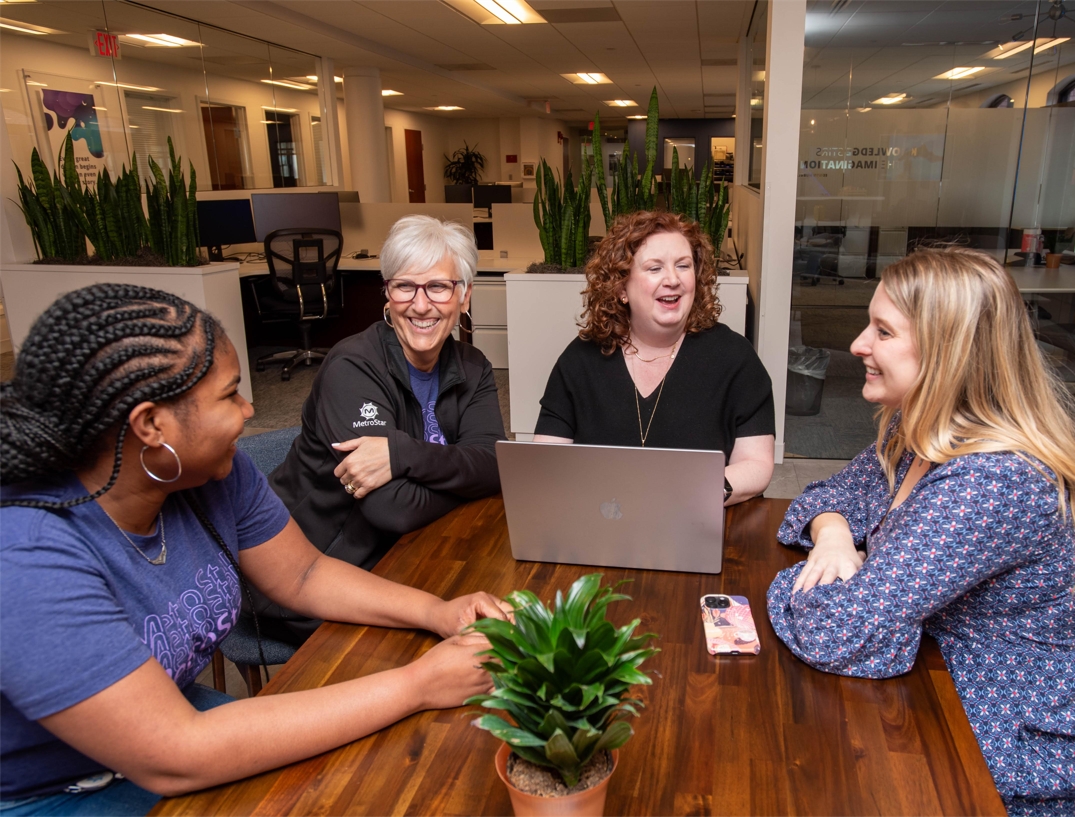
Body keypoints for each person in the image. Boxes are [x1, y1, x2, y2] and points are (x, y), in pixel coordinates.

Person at [0, 284, 508, 816]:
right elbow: (176, 752)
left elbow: (304, 574)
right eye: (230, 394)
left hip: (173, 719)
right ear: (151, 426)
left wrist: (437, 611)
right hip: (54, 789)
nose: (249, 409)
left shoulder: (214, 471)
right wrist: (418, 685)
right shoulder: (26, 553)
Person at [766, 248, 1075, 815]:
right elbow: (823, 496)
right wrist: (835, 536)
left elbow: (840, 633)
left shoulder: (992, 482)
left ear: (947, 353)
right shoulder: (918, 433)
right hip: (940, 697)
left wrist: (854, 592)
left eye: (882, 331)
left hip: (1007, 759)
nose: (858, 344)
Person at [263, 215, 505, 644]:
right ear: (388, 295)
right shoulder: (351, 368)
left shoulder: (473, 367)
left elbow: (495, 465)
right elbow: (390, 508)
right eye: (404, 286)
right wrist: (467, 476)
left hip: (408, 557)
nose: (420, 304)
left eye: (438, 287)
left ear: (464, 296)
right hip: (322, 578)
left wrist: (401, 454)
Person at [534, 210, 774, 505]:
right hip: (604, 526)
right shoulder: (579, 361)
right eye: (654, 268)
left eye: (683, 266)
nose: (672, 279)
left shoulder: (736, 358)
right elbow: (546, 461)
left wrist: (691, 496)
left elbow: (757, 464)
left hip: (700, 523)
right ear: (621, 287)